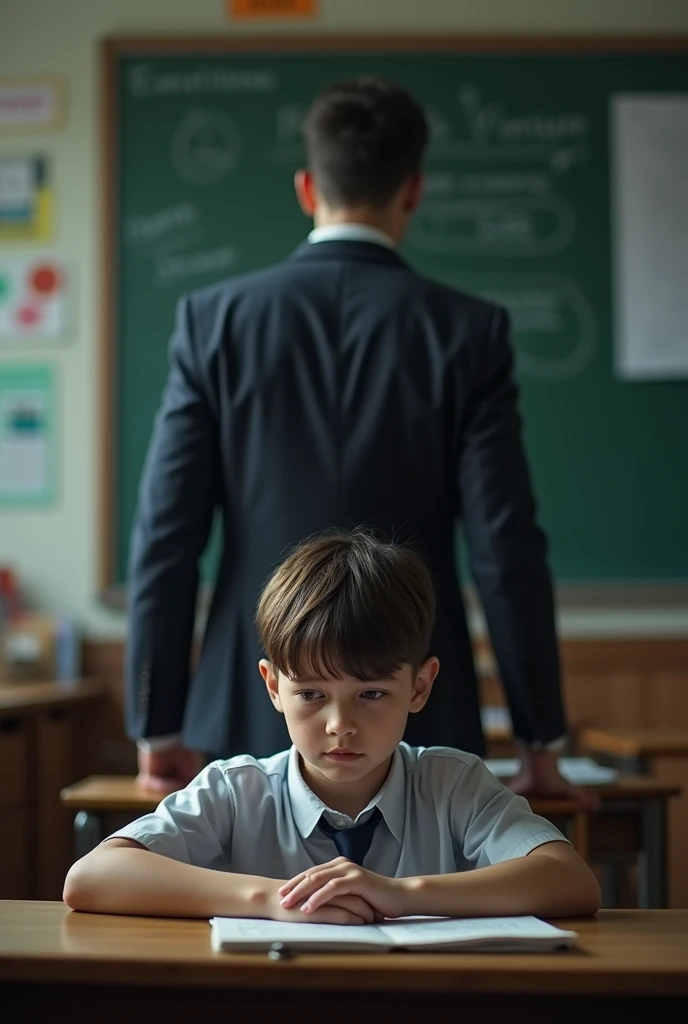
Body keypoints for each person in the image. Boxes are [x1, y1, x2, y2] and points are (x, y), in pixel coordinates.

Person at [127, 76, 582, 805]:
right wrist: (540, 739)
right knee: (430, 913)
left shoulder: (214, 322)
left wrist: (157, 727)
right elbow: (507, 549)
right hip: (415, 703)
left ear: (307, 188)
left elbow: (165, 541)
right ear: (413, 190)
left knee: (254, 913)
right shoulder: (469, 332)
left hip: (254, 705)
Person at [65, 532, 600, 921]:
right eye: (312, 695)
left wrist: (401, 894)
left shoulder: (452, 784)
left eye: (371, 695)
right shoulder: (236, 789)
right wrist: (273, 901)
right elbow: (90, 878)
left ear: (420, 686)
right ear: (273, 687)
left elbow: (571, 880)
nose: (340, 725)